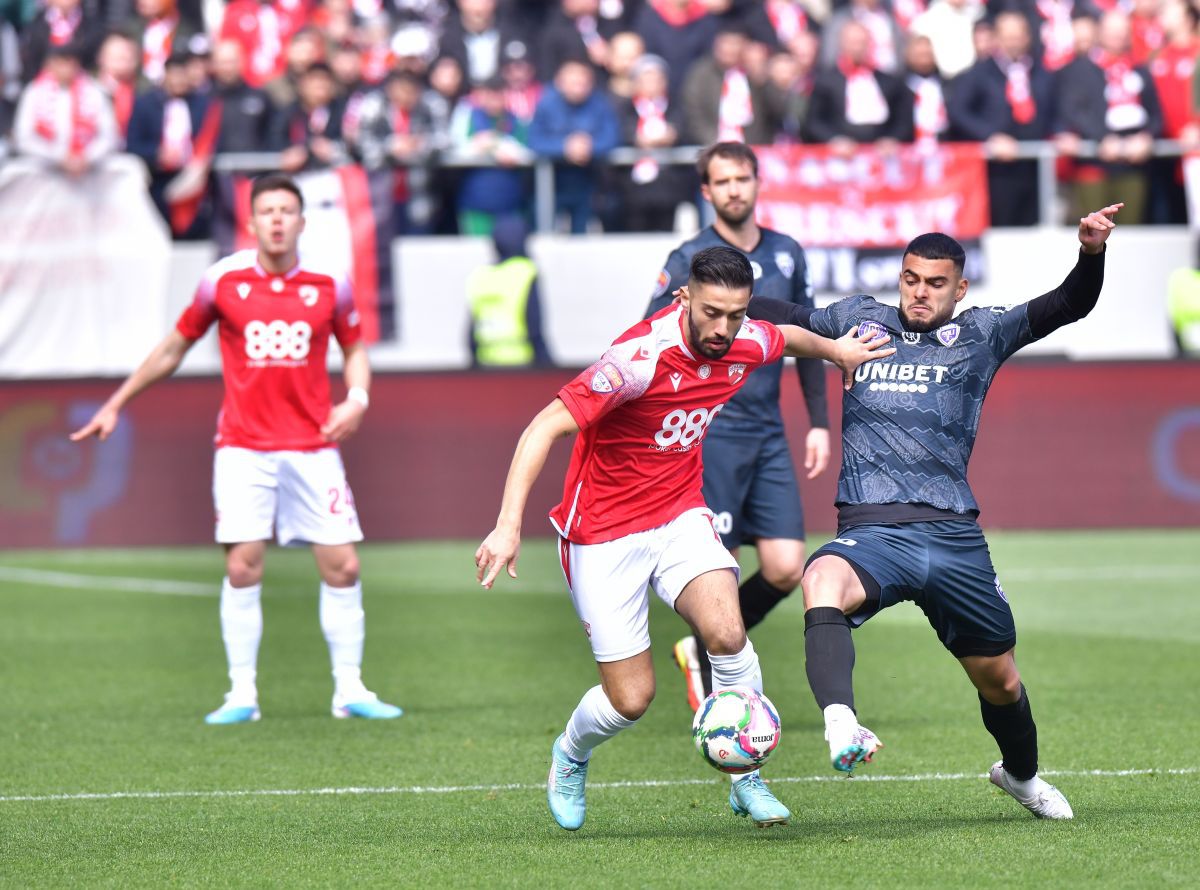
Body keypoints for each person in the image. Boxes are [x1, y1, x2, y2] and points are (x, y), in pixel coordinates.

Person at [475, 245, 893, 831]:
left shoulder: (743, 337)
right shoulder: (637, 360)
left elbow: (788, 337)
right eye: (711, 313)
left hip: (678, 516)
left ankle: (745, 777)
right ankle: (570, 755)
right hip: (602, 534)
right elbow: (545, 424)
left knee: (727, 632)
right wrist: (506, 524)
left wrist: (836, 351)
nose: (723, 329)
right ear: (683, 298)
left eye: (736, 314)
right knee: (631, 699)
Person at [743, 202, 1123, 820]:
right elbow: (783, 316)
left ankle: (1022, 777)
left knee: (998, 679)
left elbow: (1067, 304)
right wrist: (720, 300)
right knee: (819, 580)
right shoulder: (855, 321)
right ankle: (843, 725)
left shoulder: (982, 332)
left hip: (951, 534)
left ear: (960, 287)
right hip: (871, 529)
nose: (920, 293)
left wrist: (1091, 251)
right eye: (911, 279)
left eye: (936, 283)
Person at [70, 173, 403, 726]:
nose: (276, 220)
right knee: (244, 568)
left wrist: (359, 398)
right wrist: (117, 402)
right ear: (250, 223)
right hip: (243, 448)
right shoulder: (222, 281)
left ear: (302, 221)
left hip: (313, 447)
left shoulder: (329, 283)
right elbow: (175, 345)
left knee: (343, 567)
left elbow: (355, 348)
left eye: (285, 210)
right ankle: (241, 695)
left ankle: (350, 690)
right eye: (266, 211)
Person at [645, 142, 829, 711]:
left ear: (756, 182)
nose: (733, 189)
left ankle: (701, 650)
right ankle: (719, 687)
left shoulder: (788, 254)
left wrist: (819, 423)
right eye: (721, 181)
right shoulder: (687, 257)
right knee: (717, 571)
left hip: (768, 432)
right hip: (712, 435)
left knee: (784, 567)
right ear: (706, 191)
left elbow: (807, 339)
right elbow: (649, 334)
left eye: (742, 178)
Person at [466, 214, 552, 367]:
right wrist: (548, 367)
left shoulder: (480, 275)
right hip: (521, 365)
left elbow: (471, 334)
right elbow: (534, 328)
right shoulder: (526, 271)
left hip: (485, 365)